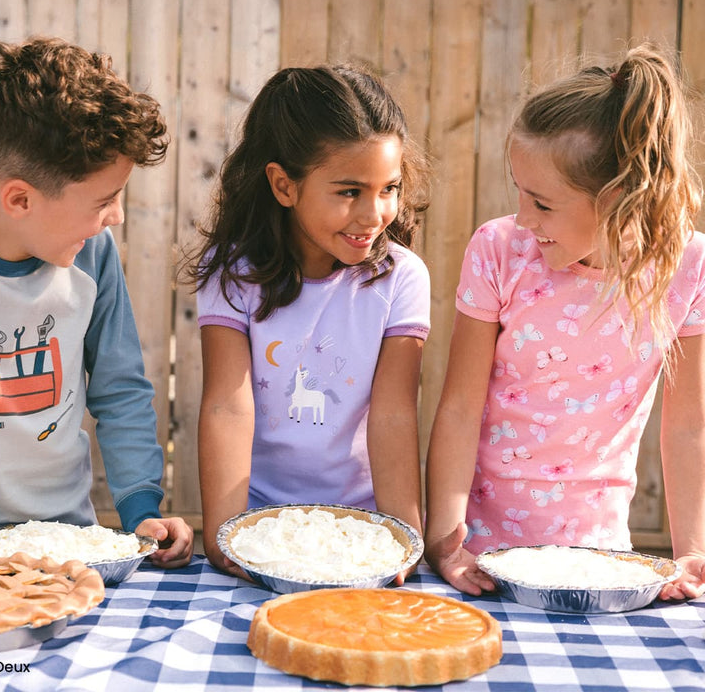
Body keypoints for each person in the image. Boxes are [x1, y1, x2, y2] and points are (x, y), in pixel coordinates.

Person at [424, 43, 705, 601]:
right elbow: (459, 407)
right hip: (478, 556)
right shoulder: (499, 251)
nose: (524, 219)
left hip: (597, 560)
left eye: (544, 204)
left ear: (622, 197)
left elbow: (688, 426)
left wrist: (692, 549)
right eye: (519, 192)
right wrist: (444, 540)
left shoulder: (686, 269)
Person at [0, 36, 193, 568]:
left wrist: (140, 507)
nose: (117, 217)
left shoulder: (92, 256)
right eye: (104, 201)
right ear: (19, 199)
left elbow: (120, 390)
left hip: (64, 548)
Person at [192, 64, 432, 577]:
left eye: (388, 188)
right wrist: (225, 537)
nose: (373, 214)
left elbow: (393, 414)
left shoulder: (402, 279)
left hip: (362, 529)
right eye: (349, 192)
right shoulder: (233, 275)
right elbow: (227, 408)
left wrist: (404, 540)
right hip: (259, 524)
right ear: (283, 185)